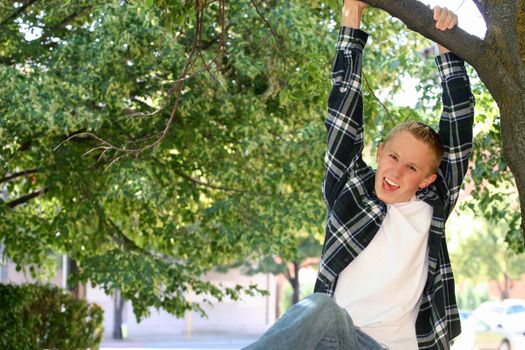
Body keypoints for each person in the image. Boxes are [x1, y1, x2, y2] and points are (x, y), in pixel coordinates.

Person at [243, 1, 474, 349]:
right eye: (393, 157)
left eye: (411, 168)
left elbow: (459, 122)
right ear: (379, 153)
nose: (395, 172)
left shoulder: (433, 205)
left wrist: (446, 43)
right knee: (320, 308)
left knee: (322, 309)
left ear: (427, 179)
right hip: (339, 341)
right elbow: (343, 114)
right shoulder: (350, 188)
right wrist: (351, 15)